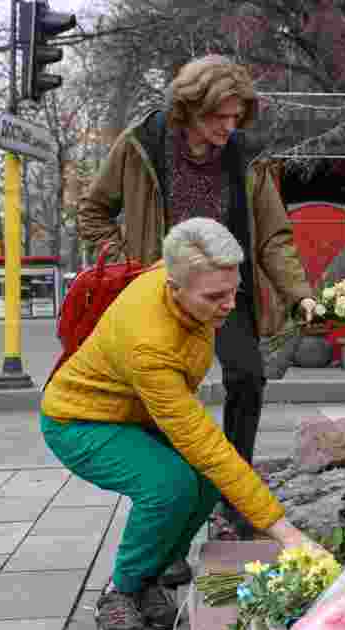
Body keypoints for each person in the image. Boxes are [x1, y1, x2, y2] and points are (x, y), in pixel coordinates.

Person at [40, 218, 323, 630]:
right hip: (79, 420)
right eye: (214, 297)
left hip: (138, 413)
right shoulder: (149, 343)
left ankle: (151, 576)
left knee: (206, 483)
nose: (228, 305)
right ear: (173, 288)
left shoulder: (183, 274)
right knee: (168, 486)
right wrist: (285, 533)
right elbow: (205, 444)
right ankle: (121, 591)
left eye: (233, 290)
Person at [78, 54, 317, 545]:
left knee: (247, 377)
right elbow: (93, 211)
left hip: (226, 289)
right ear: (189, 108)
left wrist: (299, 295)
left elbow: (274, 236)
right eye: (219, 117)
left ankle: (235, 499)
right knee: (166, 401)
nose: (229, 127)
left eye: (236, 117)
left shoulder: (246, 156)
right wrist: (132, 268)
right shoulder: (141, 146)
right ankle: (169, 514)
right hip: (165, 292)